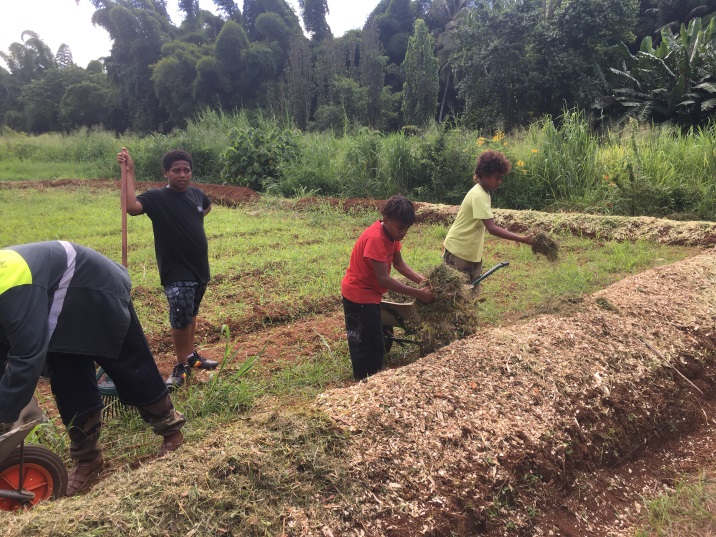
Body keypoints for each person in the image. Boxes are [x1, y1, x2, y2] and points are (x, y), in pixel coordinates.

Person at [0, 241, 186, 496]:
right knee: (67, 379)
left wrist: (4, 418)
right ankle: (88, 459)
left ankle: (171, 430)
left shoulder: (12, 288)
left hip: (93, 284)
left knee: (128, 364)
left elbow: (26, 357)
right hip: (54, 298)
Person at [118, 147, 218, 389]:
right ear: (166, 173)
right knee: (180, 317)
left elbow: (206, 207)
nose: (182, 174)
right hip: (176, 269)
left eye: (186, 170)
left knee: (191, 314)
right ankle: (182, 364)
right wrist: (129, 172)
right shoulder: (157, 197)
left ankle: (192, 356)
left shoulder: (196, 194)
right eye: (176, 170)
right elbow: (131, 207)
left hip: (199, 268)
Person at [341, 195, 436, 381]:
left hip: (371, 293)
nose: (403, 233)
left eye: (407, 228)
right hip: (359, 294)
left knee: (374, 338)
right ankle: (364, 380)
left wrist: (422, 280)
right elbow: (384, 279)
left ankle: (372, 376)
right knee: (364, 341)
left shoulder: (392, 236)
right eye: (400, 227)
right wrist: (419, 294)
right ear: (386, 219)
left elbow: (399, 264)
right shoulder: (376, 238)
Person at [443, 150, 533, 285]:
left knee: (470, 290)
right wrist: (521, 239)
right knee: (455, 292)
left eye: (501, 178)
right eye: (497, 178)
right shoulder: (479, 195)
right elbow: (492, 228)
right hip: (459, 251)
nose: (500, 181)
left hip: (470, 251)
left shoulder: (484, 193)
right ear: (485, 175)